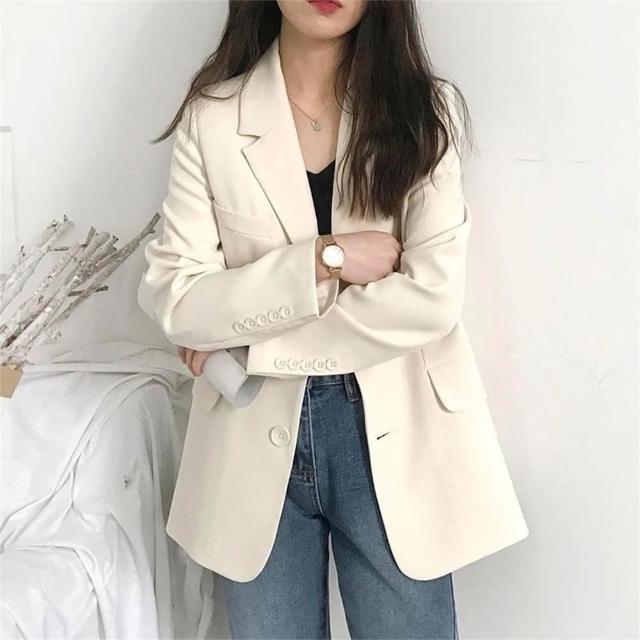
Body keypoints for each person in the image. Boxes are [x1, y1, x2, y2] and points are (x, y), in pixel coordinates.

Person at [140, 1, 530, 638]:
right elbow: (180, 301)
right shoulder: (212, 118)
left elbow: (429, 300)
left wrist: (252, 348)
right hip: (249, 435)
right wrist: (327, 258)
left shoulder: (423, 110)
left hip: (396, 423)